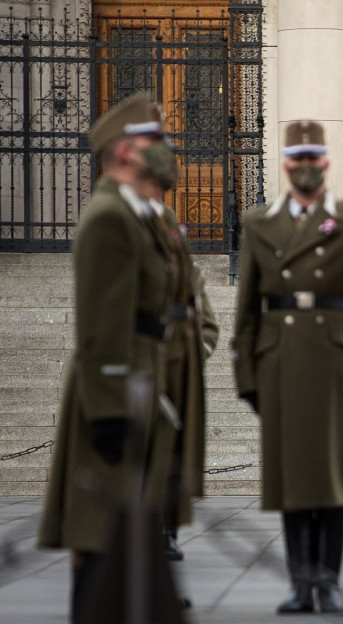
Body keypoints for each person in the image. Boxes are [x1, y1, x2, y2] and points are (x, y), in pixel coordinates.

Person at [231, 120, 343, 614]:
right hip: (280, 360)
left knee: (331, 474)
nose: (305, 167)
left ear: (326, 163)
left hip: (332, 360)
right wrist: (246, 377)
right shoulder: (260, 224)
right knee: (290, 477)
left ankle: (328, 580)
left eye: (313, 158)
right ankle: (299, 582)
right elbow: (246, 311)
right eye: (297, 159)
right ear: (286, 165)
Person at [36, 93, 181, 621]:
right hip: (113, 393)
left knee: (121, 540)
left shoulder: (136, 214)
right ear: (124, 152)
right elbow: (99, 326)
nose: (167, 149)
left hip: (136, 382)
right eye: (155, 141)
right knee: (99, 537)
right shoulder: (108, 217)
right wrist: (110, 411)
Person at [147, 190, 220, 561]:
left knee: (174, 453)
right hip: (142, 366)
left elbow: (208, 325)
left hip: (178, 371)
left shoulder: (190, 272)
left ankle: (169, 532)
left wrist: (193, 356)